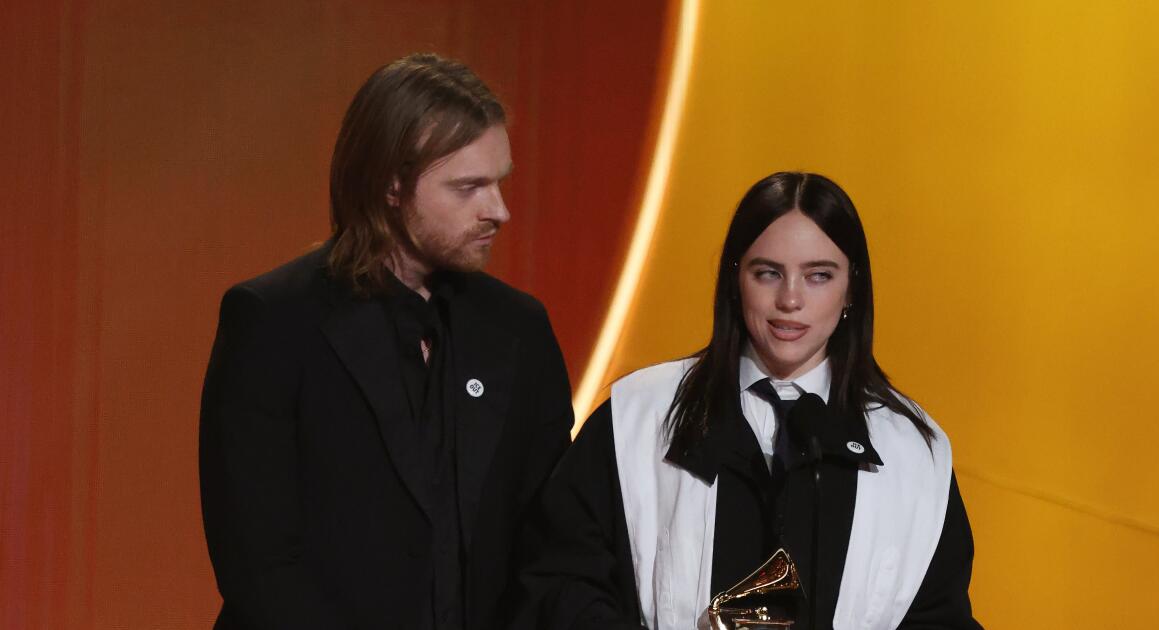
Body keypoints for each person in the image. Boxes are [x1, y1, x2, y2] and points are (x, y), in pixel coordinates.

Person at [199, 53, 573, 630]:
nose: (498, 211)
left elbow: (551, 545)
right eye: (469, 187)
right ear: (392, 185)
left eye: (499, 181)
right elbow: (260, 565)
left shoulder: (519, 330)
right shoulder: (274, 322)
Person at [515, 172, 982, 629]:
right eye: (768, 273)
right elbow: (560, 583)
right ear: (735, 280)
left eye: (818, 276)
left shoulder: (913, 455)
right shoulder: (637, 418)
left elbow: (939, 618)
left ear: (851, 290)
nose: (790, 300)